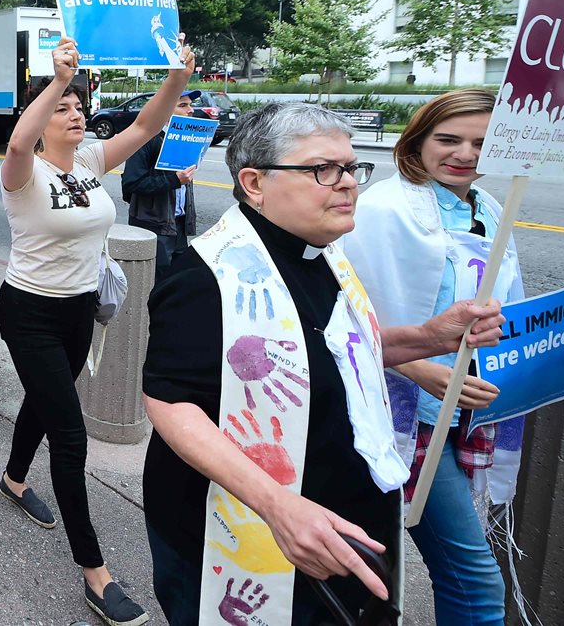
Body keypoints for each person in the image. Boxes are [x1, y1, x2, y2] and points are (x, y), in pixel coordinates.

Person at [140, 102, 508, 625]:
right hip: (254, 528)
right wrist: (276, 504)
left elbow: (339, 351)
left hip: (342, 520)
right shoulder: (206, 277)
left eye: (352, 168)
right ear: (254, 182)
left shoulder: (324, 251)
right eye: (322, 169)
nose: (348, 184)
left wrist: (428, 338)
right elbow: (170, 402)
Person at [0, 36, 192, 626]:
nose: (76, 113)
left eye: (80, 105)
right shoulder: (21, 172)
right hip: (28, 310)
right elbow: (15, 141)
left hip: (79, 309)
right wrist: (54, 81)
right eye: (63, 107)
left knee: (45, 396)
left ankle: (11, 478)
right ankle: (95, 573)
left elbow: (148, 123)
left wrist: (176, 77)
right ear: (41, 115)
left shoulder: (89, 159)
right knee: (71, 432)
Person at [343, 89, 524, 626]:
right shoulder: (379, 208)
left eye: (482, 142)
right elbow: (342, 316)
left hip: (469, 411)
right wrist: (413, 364)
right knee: (474, 579)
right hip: (403, 417)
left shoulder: (490, 208)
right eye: (449, 139)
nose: (465, 154)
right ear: (417, 140)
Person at [121, 89, 199, 284]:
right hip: (155, 226)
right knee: (155, 283)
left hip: (179, 224)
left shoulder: (185, 138)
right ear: (164, 110)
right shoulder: (146, 140)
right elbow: (131, 182)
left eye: (190, 105)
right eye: (183, 105)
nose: (190, 110)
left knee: (177, 282)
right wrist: (173, 180)